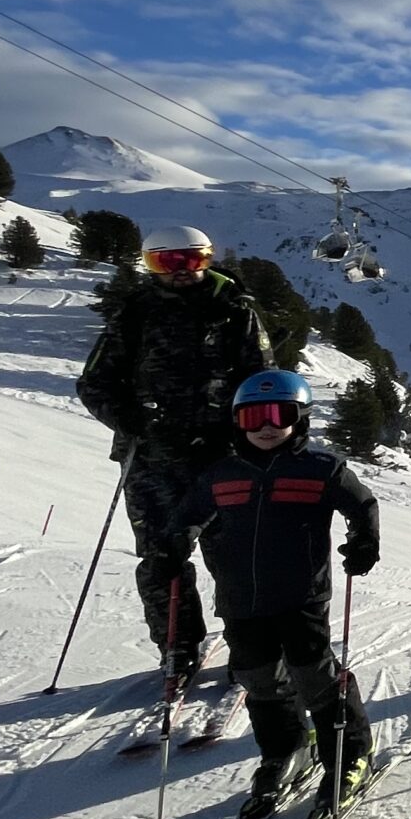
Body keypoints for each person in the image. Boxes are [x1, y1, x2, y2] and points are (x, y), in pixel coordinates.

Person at [167, 370, 377, 819]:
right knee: (259, 679)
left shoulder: (322, 469)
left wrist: (365, 539)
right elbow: (189, 516)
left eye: (278, 415)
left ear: (299, 419)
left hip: (301, 594)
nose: (265, 426)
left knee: (313, 674)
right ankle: (283, 749)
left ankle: (348, 754)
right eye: (252, 417)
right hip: (240, 597)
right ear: (237, 422)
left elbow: (362, 504)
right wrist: (175, 541)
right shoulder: (222, 474)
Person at [77, 223, 273, 681]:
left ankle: (250, 643)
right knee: (162, 556)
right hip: (152, 458)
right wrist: (130, 420)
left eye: (193, 260)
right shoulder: (134, 313)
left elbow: (263, 382)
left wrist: (245, 434)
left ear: (208, 259)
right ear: (151, 265)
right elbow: (94, 382)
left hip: (224, 455)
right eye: (167, 262)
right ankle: (177, 647)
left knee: (235, 555)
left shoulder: (234, 311)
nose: (182, 271)